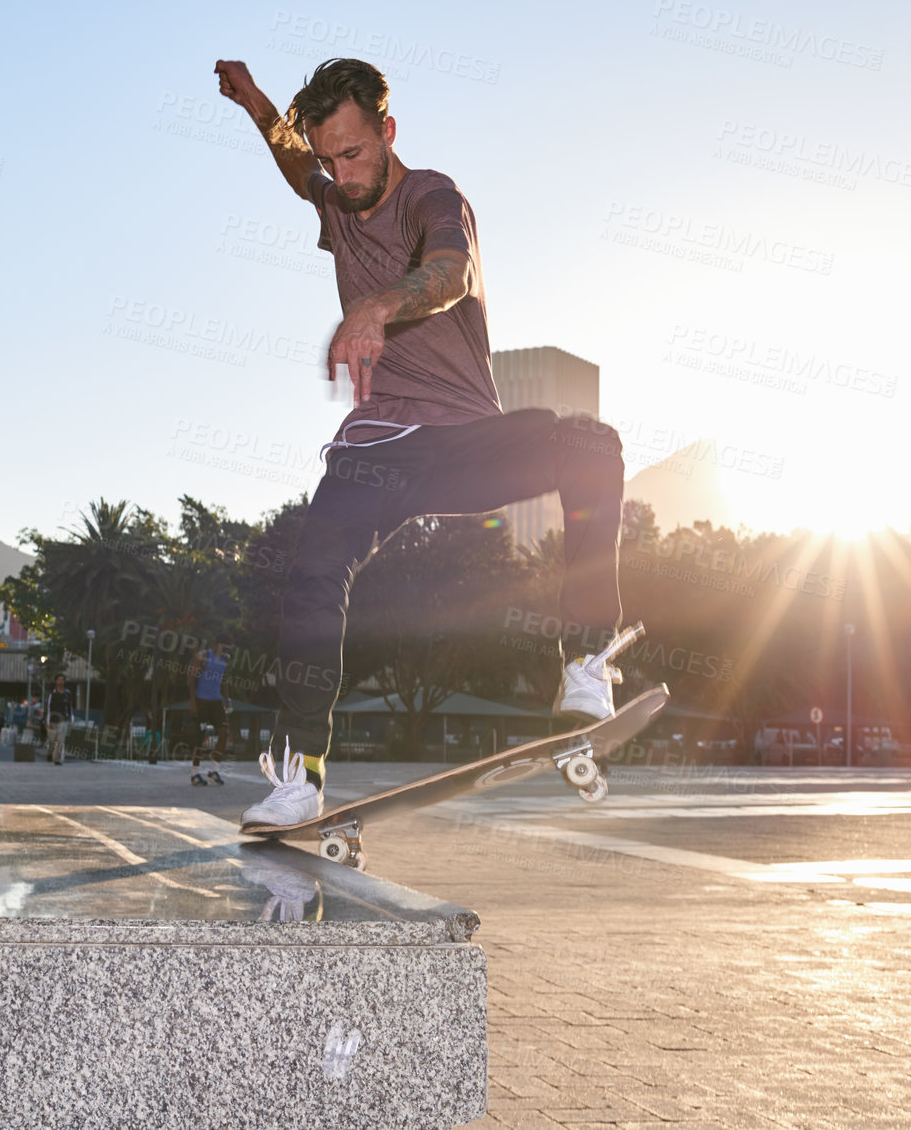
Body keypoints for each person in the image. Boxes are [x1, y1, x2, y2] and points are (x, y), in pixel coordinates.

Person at [215, 57, 641, 829]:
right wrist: (256, 106)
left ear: (387, 131)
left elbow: (450, 270)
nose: (342, 175)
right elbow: (291, 162)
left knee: (590, 446)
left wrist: (379, 306)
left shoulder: (431, 195)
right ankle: (299, 775)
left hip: (465, 439)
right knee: (312, 573)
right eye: (330, 159)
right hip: (378, 451)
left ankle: (583, 658)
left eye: (354, 153)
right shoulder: (333, 191)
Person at [187, 636, 231, 786]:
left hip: (216, 702)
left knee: (224, 732)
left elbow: (224, 679)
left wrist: (227, 699)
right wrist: (193, 702)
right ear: (217, 644)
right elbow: (191, 679)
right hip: (201, 701)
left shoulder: (225, 659)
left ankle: (214, 771)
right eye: (224, 646)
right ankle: (194, 774)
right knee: (200, 738)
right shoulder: (202, 657)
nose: (226, 650)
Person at [46, 674, 76, 765]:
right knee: (51, 740)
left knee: (60, 740)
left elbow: (70, 707)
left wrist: (71, 718)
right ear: (56, 681)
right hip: (53, 719)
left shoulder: (67, 694)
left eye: (62, 680)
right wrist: (48, 721)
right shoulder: (53, 694)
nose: (60, 681)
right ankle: (49, 753)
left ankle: (56, 759)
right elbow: (49, 708)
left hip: (63, 720)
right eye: (59, 680)